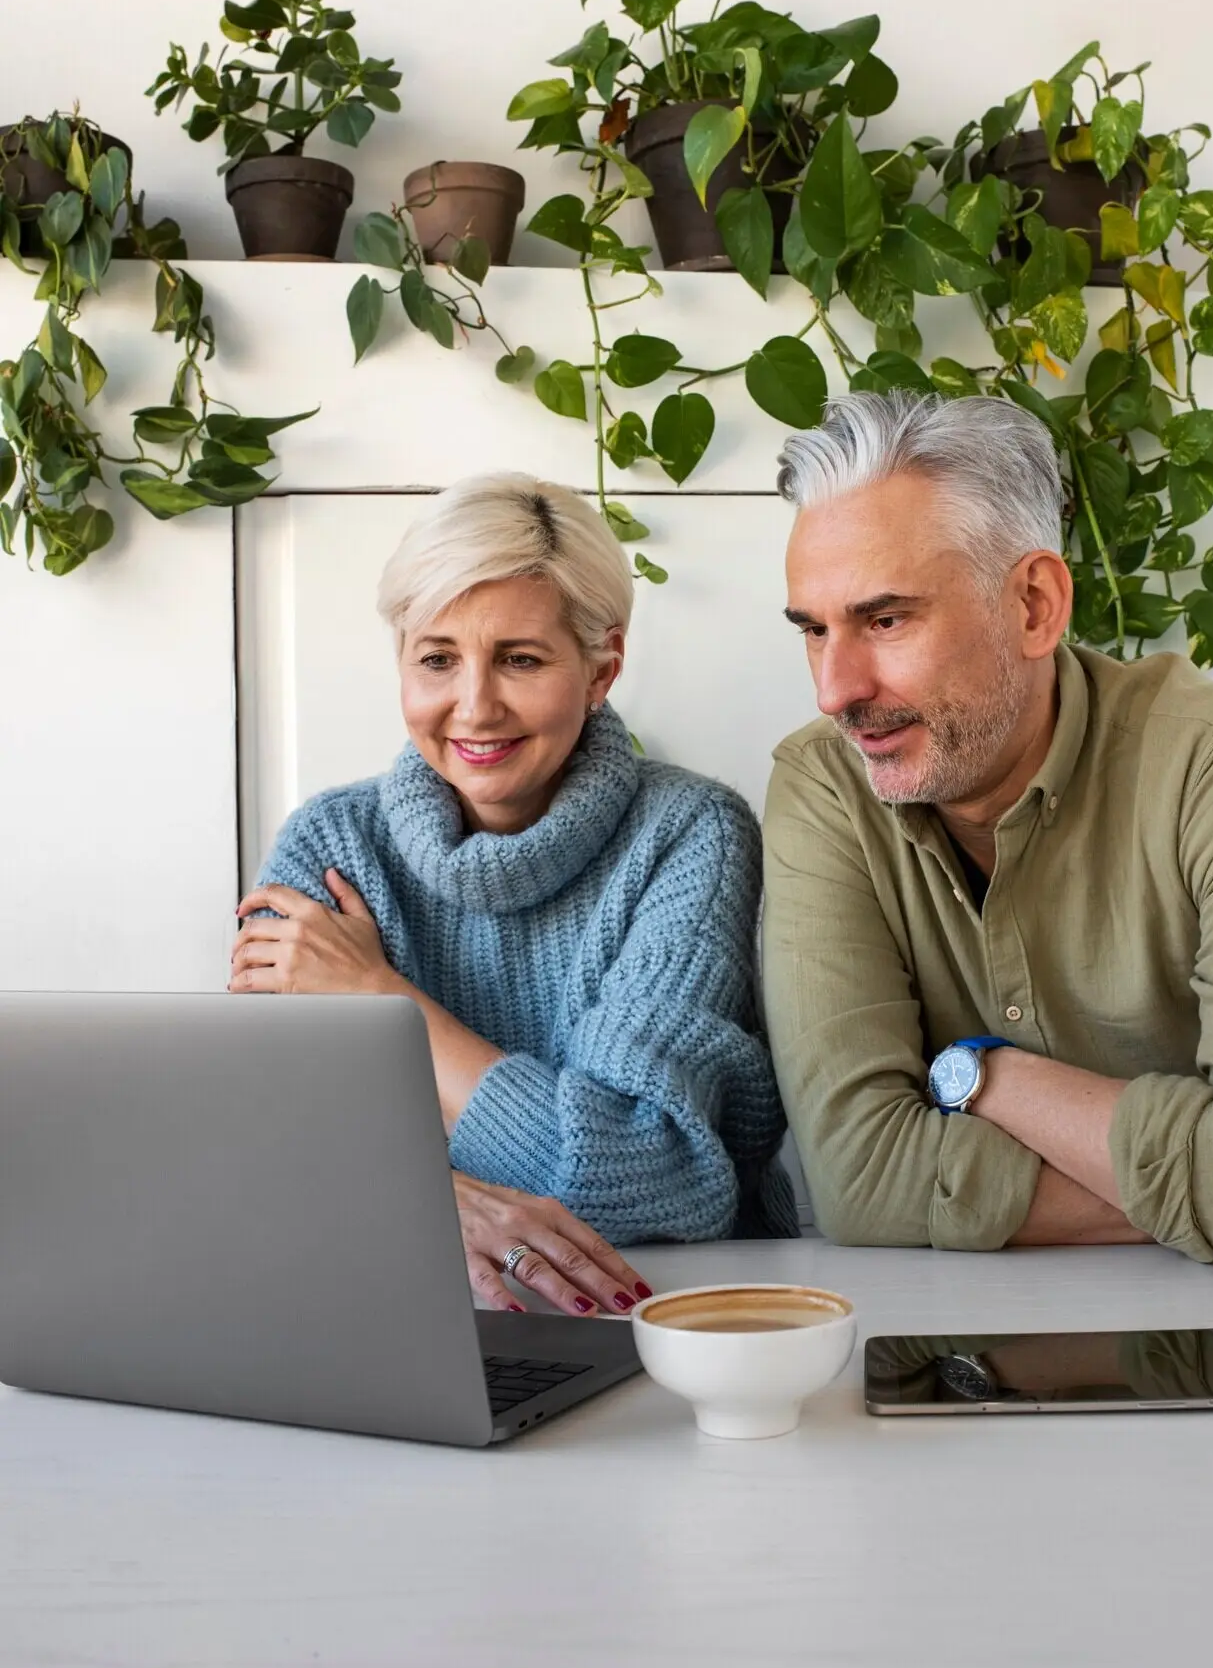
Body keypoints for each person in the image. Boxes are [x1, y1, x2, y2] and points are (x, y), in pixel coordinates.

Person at [761, 389, 1213, 1272]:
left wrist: (986, 1077)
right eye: (812, 631)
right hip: (950, 1353)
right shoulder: (823, 784)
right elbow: (858, 1181)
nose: (833, 691)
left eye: (884, 620)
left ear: (1033, 605)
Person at [231, 472, 795, 1316]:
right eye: (436, 659)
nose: (474, 707)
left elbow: (647, 1178)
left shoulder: (689, 833)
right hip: (400, 1303)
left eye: (520, 660)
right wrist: (438, 1202)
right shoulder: (331, 843)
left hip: (667, 1316)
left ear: (601, 668)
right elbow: (260, 1152)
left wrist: (383, 998)